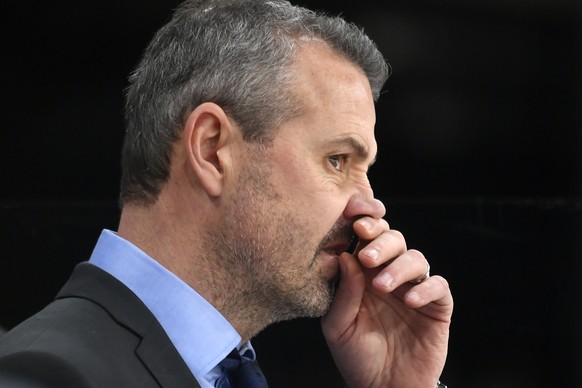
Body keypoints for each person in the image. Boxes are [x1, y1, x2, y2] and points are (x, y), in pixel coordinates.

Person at [0, 0, 453, 387]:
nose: (369, 206)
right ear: (212, 149)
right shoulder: (45, 376)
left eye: (365, 170)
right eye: (337, 160)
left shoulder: (221, 370)